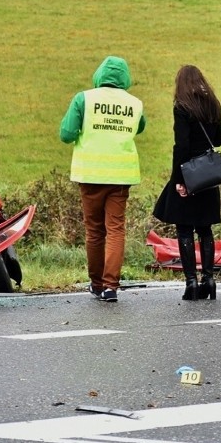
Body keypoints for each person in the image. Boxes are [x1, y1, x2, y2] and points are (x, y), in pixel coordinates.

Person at [60, 56, 146, 303]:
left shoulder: (84, 99)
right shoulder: (134, 103)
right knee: (116, 229)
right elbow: (139, 127)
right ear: (125, 78)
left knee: (94, 231)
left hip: (90, 174)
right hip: (120, 176)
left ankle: (96, 284)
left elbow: (66, 134)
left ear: (99, 75)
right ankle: (111, 286)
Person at [153, 65, 221, 301]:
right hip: (209, 175)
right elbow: (218, 140)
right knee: (205, 228)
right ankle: (209, 279)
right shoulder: (213, 104)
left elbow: (181, 146)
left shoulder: (182, 107)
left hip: (190, 172)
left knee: (184, 228)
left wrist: (178, 181)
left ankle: (191, 283)